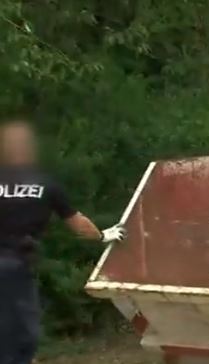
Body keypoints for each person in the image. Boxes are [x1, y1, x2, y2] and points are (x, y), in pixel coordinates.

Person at [0, 120, 125, 364]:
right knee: (22, 335)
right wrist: (102, 236)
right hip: (14, 267)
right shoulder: (46, 184)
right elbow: (78, 224)